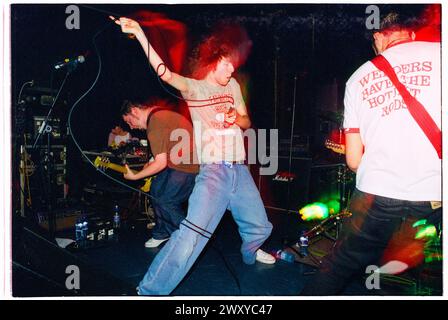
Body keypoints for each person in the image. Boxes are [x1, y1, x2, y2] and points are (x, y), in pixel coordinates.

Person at [112, 15, 275, 295]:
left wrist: (237, 116)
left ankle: (250, 252)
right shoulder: (195, 88)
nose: (231, 70)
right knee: (192, 235)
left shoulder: (233, 86)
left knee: (260, 227)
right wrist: (139, 32)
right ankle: (149, 290)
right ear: (214, 61)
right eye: (227, 64)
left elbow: (247, 121)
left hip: (239, 170)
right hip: (214, 173)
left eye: (234, 66)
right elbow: (163, 72)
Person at [301, 10, 441, 295]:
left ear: (379, 36)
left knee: (339, 265)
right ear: (411, 34)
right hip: (436, 191)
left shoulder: (357, 78)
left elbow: (353, 161)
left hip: (378, 192)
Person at [121, 99, 199, 248]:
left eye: (129, 121)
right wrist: (151, 160)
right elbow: (167, 145)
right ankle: (163, 233)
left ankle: (190, 239)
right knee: (155, 189)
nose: (131, 127)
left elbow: (161, 162)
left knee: (166, 200)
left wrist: (135, 176)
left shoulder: (155, 122)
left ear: (134, 111)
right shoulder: (158, 115)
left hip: (188, 166)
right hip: (178, 163)